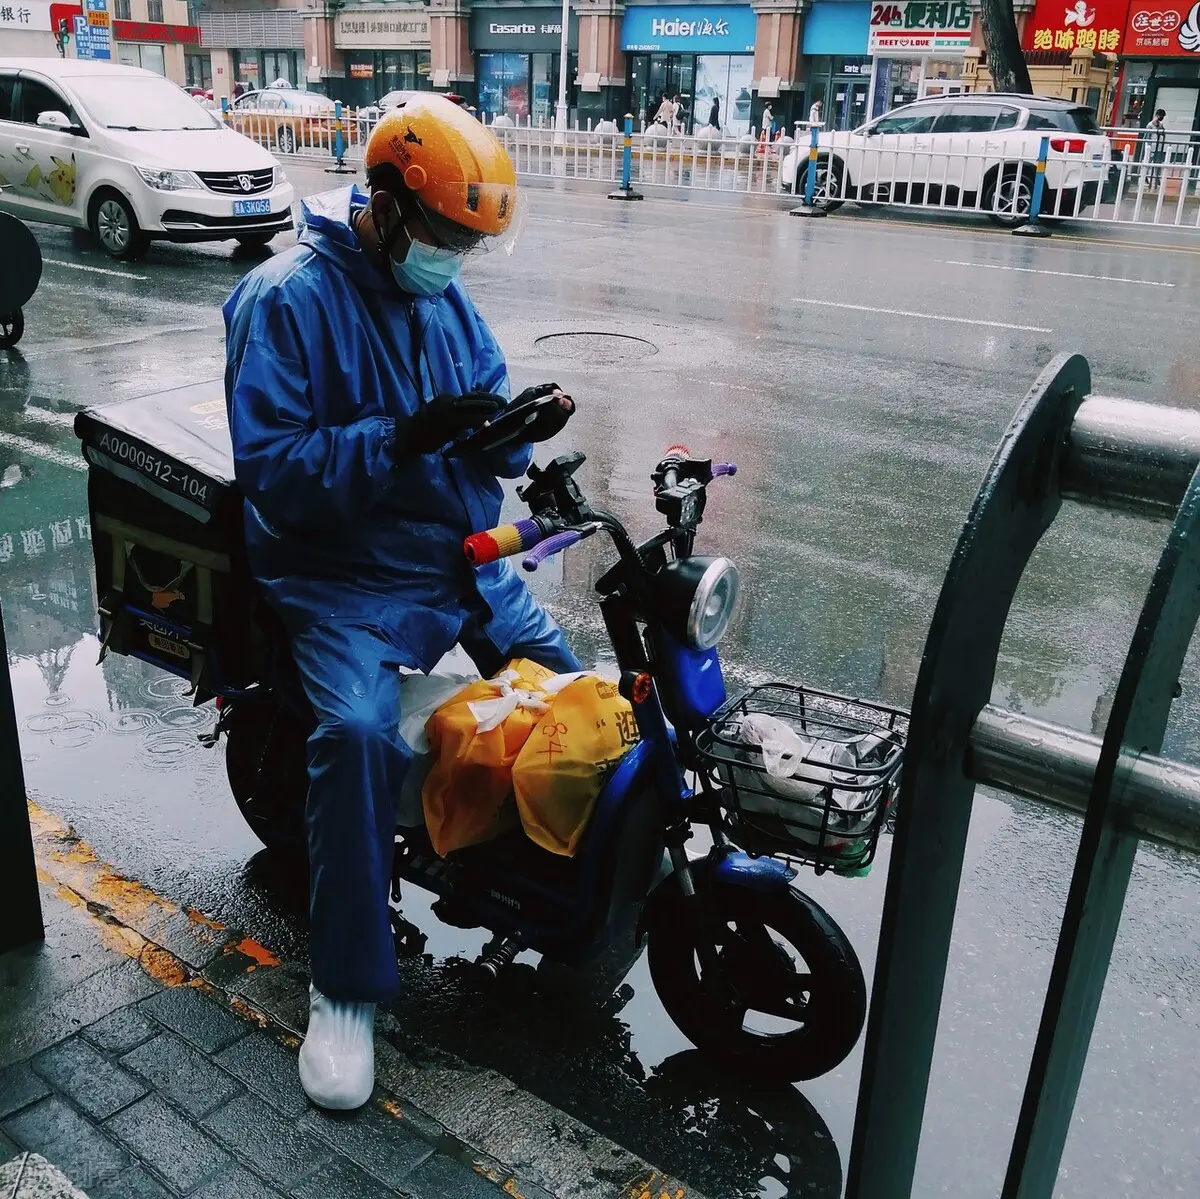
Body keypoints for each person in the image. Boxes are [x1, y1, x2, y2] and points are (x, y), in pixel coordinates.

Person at [222, 95, 579, 1111]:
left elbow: (482, 415)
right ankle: (344, 988)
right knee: (358, 734)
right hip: (338, 573)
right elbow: (275, 475)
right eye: (443, 237)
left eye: (469, 244)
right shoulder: (284, 299)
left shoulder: (444, 296)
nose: (452, 259)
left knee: (571, 688)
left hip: (453, 555)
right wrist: (398, 439)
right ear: (384, 204)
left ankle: (544, 882)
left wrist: (519, 426)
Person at [1147, 108, 1167, 189]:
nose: (1162, 118)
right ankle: (1145, 176)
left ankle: (1157, 178)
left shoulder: (1160, 124)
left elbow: (1163, 132)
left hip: (1158, 147)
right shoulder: (1150, 125)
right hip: (1151, 147)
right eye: (1161, 116)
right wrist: (1148, 147)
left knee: (1158, 163)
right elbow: (1147, 137)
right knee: (1148, 162)